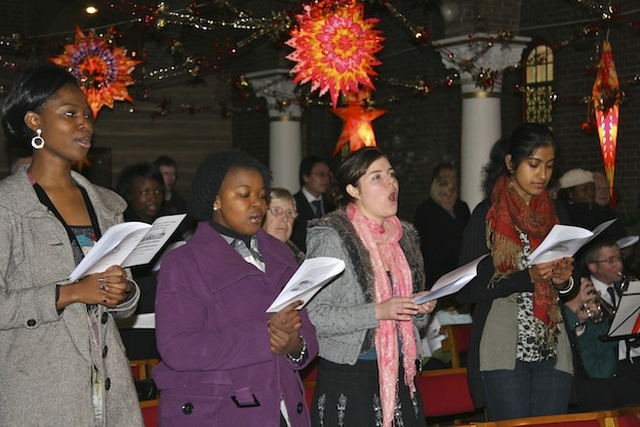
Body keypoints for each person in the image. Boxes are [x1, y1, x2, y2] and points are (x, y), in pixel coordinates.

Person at [0, 65, 142, 425]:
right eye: (70, 113)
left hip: (109, 392)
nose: (85, 124)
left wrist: (122, 292)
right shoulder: (7, 207)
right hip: (40, 396)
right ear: (34, 121)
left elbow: (120, 306)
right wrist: (71, 293)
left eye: (87, 115)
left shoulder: (108, 206)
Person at [153, 150, 319, 427]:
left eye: (262, 195)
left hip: (283, 406)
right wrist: (264, 335)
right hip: (221, 411)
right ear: (215, 200)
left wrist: (295, 345)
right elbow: (177, 348)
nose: (257, 204)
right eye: (244, 194)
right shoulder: (184, 262)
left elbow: (306, 325)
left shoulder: (280, 253)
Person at [305, 147, 437, 427]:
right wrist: (377, 311)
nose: (391, 183)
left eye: (391, 175)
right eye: (377, 177)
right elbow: (315, 316)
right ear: (354, 189)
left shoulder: (404, 239)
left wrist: (420, 307)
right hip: (351, 376)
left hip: (401, 374)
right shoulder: (332, 237)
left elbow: (411, 322)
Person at [457, 123, 576, 421]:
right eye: (533, 165)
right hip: (503, 348)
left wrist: (565, 281)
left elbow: (571, 289)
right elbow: (464, 291)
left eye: (549, 166)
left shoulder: (557, 214)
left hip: (551, 344)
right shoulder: (487, 214)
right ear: (511, 163)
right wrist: (526, 278)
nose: (542, 175)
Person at [115, 162, 177, 360]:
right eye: (145, 191)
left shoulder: (167, 225)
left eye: (158, 190)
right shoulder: (120, 230)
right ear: (128, 195)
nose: (153, 197)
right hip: (133, 326)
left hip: (165, 320)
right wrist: (156, 279)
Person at [563, 274, 640, 411]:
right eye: (611, 260)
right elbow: (596, 345)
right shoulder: (566, 307)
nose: (619, 264)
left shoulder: (600, 304)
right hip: (590, 378)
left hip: (606, 376)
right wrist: (580, 321)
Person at [581, 238, 640, 382]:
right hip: (612, 373)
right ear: (593, 267)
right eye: (611, 260)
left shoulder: (629, 288)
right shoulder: (584, 296)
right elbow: (592, 344)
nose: (619, 265)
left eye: (620, 258)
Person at [414, 173, 470, 288]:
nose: (449, 198)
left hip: (462, 268)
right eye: (445, 195)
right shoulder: (426, 213)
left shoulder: (462, 208)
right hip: (439, 273)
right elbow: (428, 248)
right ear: (437, 196)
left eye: (452, 193)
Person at [557, 168, 626, 241]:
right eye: (585, 190)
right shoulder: (564, 213)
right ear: (570, 194)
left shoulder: (600, 211)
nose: (590, 193)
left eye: (593, 189)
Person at [291, 156, 332, 253]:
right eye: (321, 174)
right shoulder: (293, 204)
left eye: (328, 175)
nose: (326, 179)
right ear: (306, 177)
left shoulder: (332, 204)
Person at [263, 187, 305, 265]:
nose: (285, 219)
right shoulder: (249, 256)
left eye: (290, 213)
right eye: (277, 211)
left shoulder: (299, 259)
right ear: (262, 215)